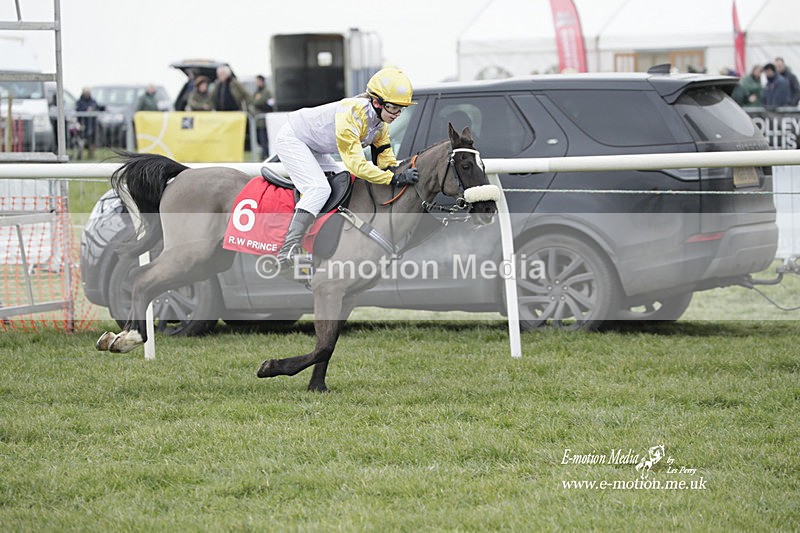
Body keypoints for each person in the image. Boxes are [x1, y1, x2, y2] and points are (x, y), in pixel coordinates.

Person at [273, 67, 419, 269]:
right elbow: (357, 166)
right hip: (294, 139)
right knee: (319, 188)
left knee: (342, 180)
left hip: (314, 146)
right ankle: (288, 248)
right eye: (394, 107)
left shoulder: (380, 125)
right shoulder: (353, 114)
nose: (398, 114)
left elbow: (386, 160)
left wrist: (399, 173)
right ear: (376, 102)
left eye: (401, 109)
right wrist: (392, 179)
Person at [75, 87, 102, 159]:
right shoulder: (79, 102)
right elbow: (78, 109)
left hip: (92, 126)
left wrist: (93, 108)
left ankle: (91, 156)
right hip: (82, 125)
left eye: (88, 93)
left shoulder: (93, 101)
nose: (87, 94)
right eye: (86, 93)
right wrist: (86, 110)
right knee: (80, 142)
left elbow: (97, 107)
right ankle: (79, 156)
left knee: (92, 142)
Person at [251, 74, 273, 159]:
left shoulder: (266, 91)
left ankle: (265, 155)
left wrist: (257, 102)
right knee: (260, 139)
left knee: (265, 139)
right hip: (258, 121)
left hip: (264, 121)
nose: (256, 83)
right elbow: (253, 101)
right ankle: (264, 154)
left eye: (258, 81)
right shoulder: (257, 92)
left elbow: (258, 102)